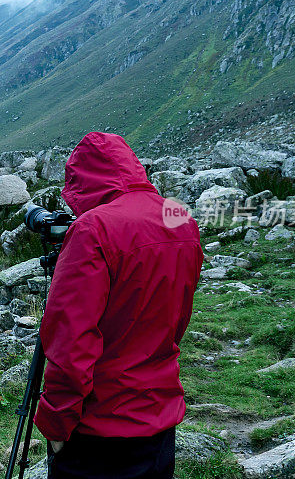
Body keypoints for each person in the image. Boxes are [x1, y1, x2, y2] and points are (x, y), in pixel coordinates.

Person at [34, 132, 203, 479]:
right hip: (159, 418)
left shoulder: (93, 229)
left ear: (83, 180)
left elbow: (70, 343)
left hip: (99, 430)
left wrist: (56, 423)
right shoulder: (181, 218)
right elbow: (177, 320)